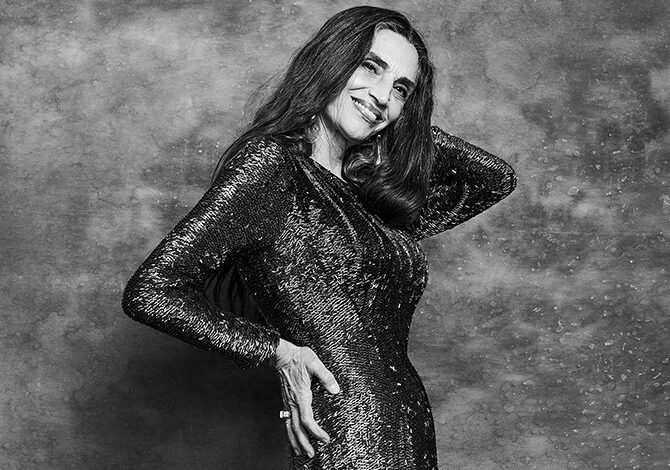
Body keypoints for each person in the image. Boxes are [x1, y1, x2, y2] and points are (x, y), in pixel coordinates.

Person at [121, 6, 518, 469]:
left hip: (407, 430)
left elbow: (496, 178)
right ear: (331, 61)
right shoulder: (272, 167)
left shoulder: (368, 196)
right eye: (370, 67)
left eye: (400, 89)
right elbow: (151, 291)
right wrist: (278, 352)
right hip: (350, 432)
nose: (382, 96)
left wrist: (407, 126)